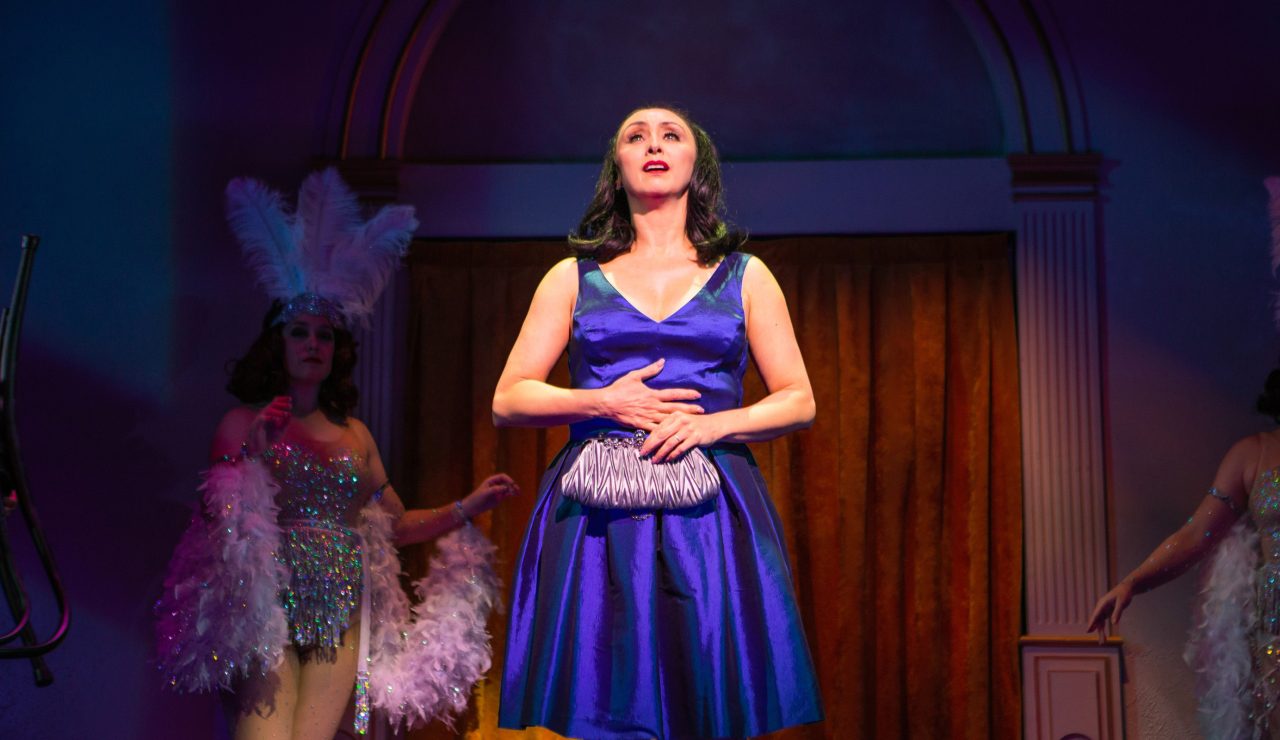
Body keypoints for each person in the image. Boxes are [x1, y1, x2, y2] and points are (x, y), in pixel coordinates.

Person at [493, 106, 824, 738]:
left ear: (696, 165)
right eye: (634, 136)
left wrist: (713, 425)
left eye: (670, 135)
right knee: (603, 695)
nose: (653, 144)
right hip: (597, 511)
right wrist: (602, 402)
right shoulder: (572, 277)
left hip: (712, 509)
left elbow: (798, 399)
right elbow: (509, 399)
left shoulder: (745, 275)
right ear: (615, 169)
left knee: (706, 686)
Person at [155, 169, 519, 738]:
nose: (313, 344)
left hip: (340, 608)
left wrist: (464, 508)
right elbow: (217, 528)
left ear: (337, 350)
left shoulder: (355, 436)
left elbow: (393, 525)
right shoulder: (240, 424)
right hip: (262, 609)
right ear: (279, 343)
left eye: (324, 335)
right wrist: (249, 457)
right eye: (300, 332)